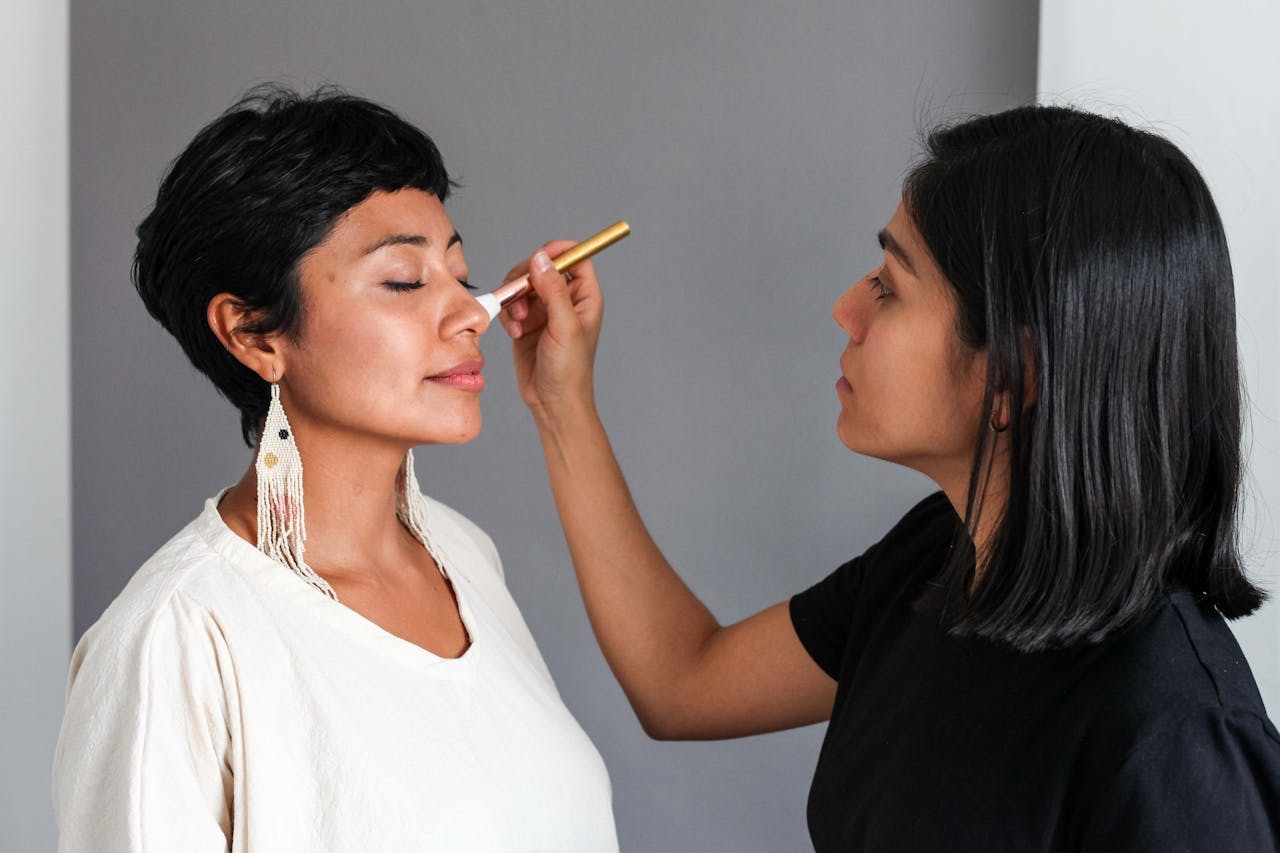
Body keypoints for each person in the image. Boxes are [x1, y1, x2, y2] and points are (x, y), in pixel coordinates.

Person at [497, 104, 1280, 850]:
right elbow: (681, 680)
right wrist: (560, 403)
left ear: (1014, 374)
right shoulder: (940, 560)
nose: (846, 308)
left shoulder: (1176, 736)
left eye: (889, 285)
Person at [52, 86, 617, 852]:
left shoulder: (465, 554)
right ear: (253, 333)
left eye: (460, 272)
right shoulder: (178, 637)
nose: (471, 312)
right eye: (404, 281)